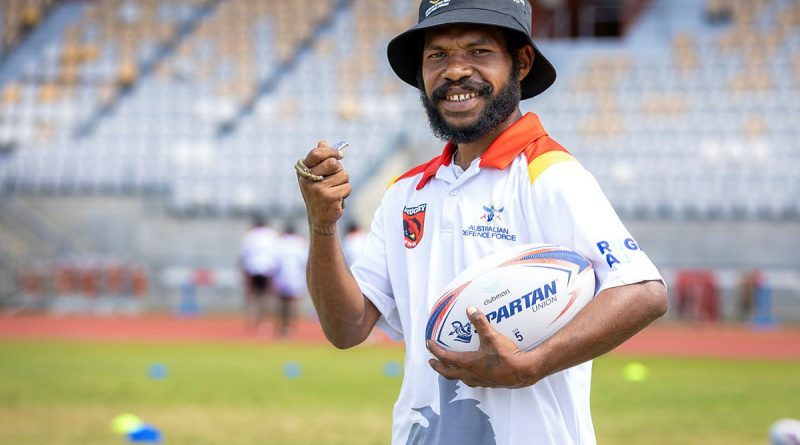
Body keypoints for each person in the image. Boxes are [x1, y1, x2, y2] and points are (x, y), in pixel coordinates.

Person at [295, 1, 668, 443]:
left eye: (478, 51)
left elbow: (644, 291)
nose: (454, 71)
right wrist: (322, 226)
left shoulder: (549, 173)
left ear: (521, 62)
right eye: (437, 55)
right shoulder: (406, 192)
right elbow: (346, 328)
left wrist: (532, 365)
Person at [238, 213, 279, 333]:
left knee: (252, 296)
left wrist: (243, 271)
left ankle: (251, 319)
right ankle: (263, 321)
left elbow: (243, 254)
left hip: (252, 268)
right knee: (266, 296)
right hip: (268, 268)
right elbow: (276, 253)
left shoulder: (250, 235)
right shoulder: (272, 234)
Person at [273, 224, 309, 337]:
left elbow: (274, 261)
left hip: (281, 276)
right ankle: (291, 327)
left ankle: (283, 326)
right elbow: (305, 262)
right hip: (296, 276)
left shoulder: (279, 242)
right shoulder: (301, 243)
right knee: (293, 302)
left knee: (282, 303)